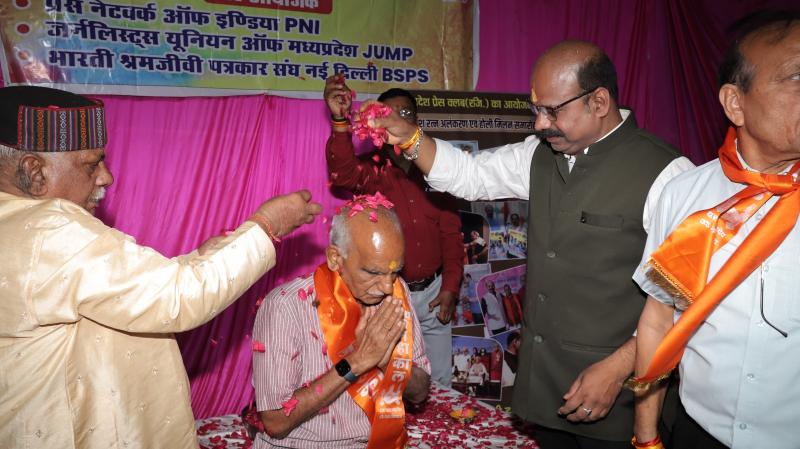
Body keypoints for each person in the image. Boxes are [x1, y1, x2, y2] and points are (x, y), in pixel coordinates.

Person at [368, 40, 695, 448]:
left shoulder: (668, 175)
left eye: (552, 110)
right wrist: (411, 139)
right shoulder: (538, 156)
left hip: (621, 397)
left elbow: (687, 300)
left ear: (599, 102)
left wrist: (619, 367)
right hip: (548, 391)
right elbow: (469, 175)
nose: (540, 124)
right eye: (536, 109)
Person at [0, 86, 321, 449]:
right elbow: (178, 297)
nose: (106, 177)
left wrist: (197, 260)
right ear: (35, 172)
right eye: (91, 164)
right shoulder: (52, 227)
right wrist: (267, 225)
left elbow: (118, 293)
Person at [631, 11, 800, 449]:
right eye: (797, 77)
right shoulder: (683, 195)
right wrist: (646, 437)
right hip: (697, 433)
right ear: (735, 103)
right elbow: (658, 321)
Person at [252, 195, 431, 448]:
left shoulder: (396, 293)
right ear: (335, 258)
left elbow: (420, 391)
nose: (386, 287)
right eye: (373, 272)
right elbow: (275, 422)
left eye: (395, 271)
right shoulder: (285, 307)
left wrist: (386, 361)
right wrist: (357, 361)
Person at [324, 77, 464, 387]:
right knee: (395, 383)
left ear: (416, 121)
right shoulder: (371, 170)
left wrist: (450, 287)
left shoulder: (438, 170)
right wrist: (340, 121)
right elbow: (342, 173)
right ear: (377, 123)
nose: (397, 120)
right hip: (389, 295)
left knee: (440, 383)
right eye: (388, 114)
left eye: (405, 114)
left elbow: (451, 235)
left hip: (434, 294)